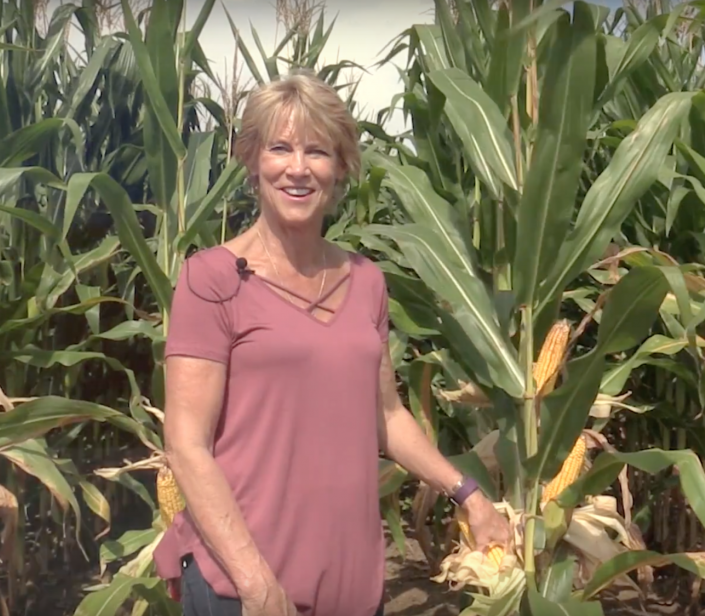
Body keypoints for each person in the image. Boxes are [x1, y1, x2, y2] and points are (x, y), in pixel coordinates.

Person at [153, 67, 513, 616]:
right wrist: (256, 583)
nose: (298, 168)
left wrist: (469, 494)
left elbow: (386, 416)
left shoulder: (366, 282)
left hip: (352, 584)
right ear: (251, 160)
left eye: (317, 151)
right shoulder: (213, 280)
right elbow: (186, 445)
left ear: (341, 166)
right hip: (244, 587)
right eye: (280, 148)